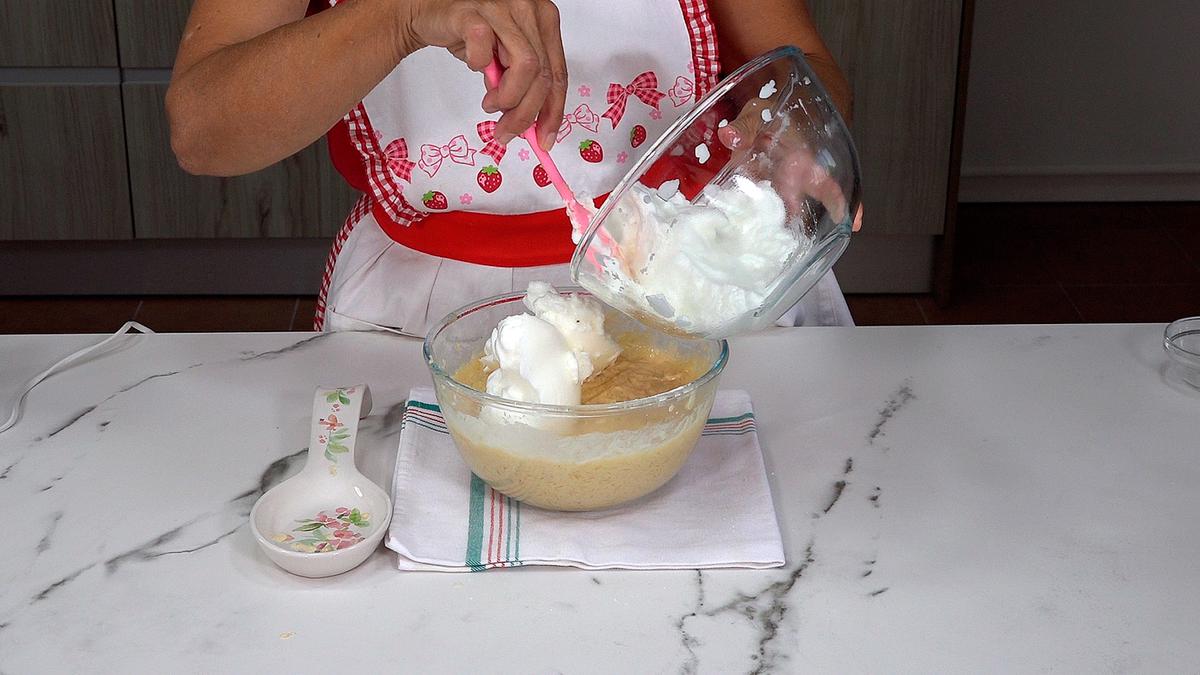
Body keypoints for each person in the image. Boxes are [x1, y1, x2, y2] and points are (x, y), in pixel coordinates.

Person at [167, 0, 857, 334]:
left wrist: (795, 132)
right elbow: (202, 128)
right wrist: (401, 14)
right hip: (422, 309)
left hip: (690, 279)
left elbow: (807, 68)